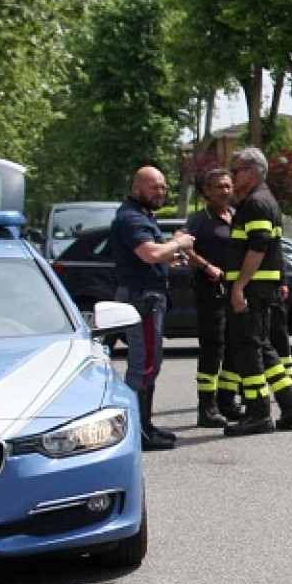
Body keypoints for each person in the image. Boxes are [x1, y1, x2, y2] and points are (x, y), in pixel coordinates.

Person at [222, 147, 292, 437]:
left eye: (237, 171)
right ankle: (291, 404)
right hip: (262, 287)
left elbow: (258, 248)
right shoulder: (261, 201)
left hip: (253, 287)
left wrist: (239, 285)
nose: (233, 176)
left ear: (253, 172)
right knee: (263, 347)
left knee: (248, 349)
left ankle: (258, 414)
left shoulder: (256, 204)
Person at [111, 166, 195, 451]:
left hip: (148, 295)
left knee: (150, 364)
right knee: (143, 365)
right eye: (154, 188)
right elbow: (149, 253)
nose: (160, 192)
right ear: (137, 189)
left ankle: (144, 425)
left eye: (162, 188)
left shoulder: (139, 215)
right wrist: (177, 243)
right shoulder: (132, 218)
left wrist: (167, 259)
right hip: (142, 298)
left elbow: (150, 256)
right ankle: (138, 432)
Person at [182, 167, 242, 428]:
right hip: (211, 292)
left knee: (233, 346)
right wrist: (206, 266)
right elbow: (181, 243)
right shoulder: (200, 219)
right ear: (207, 191)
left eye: (228, 186)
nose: (225, 191)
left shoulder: (236, 216)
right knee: (213, 347)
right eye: (219, 187)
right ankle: (206, 408)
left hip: (235, 291)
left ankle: (227, 402)